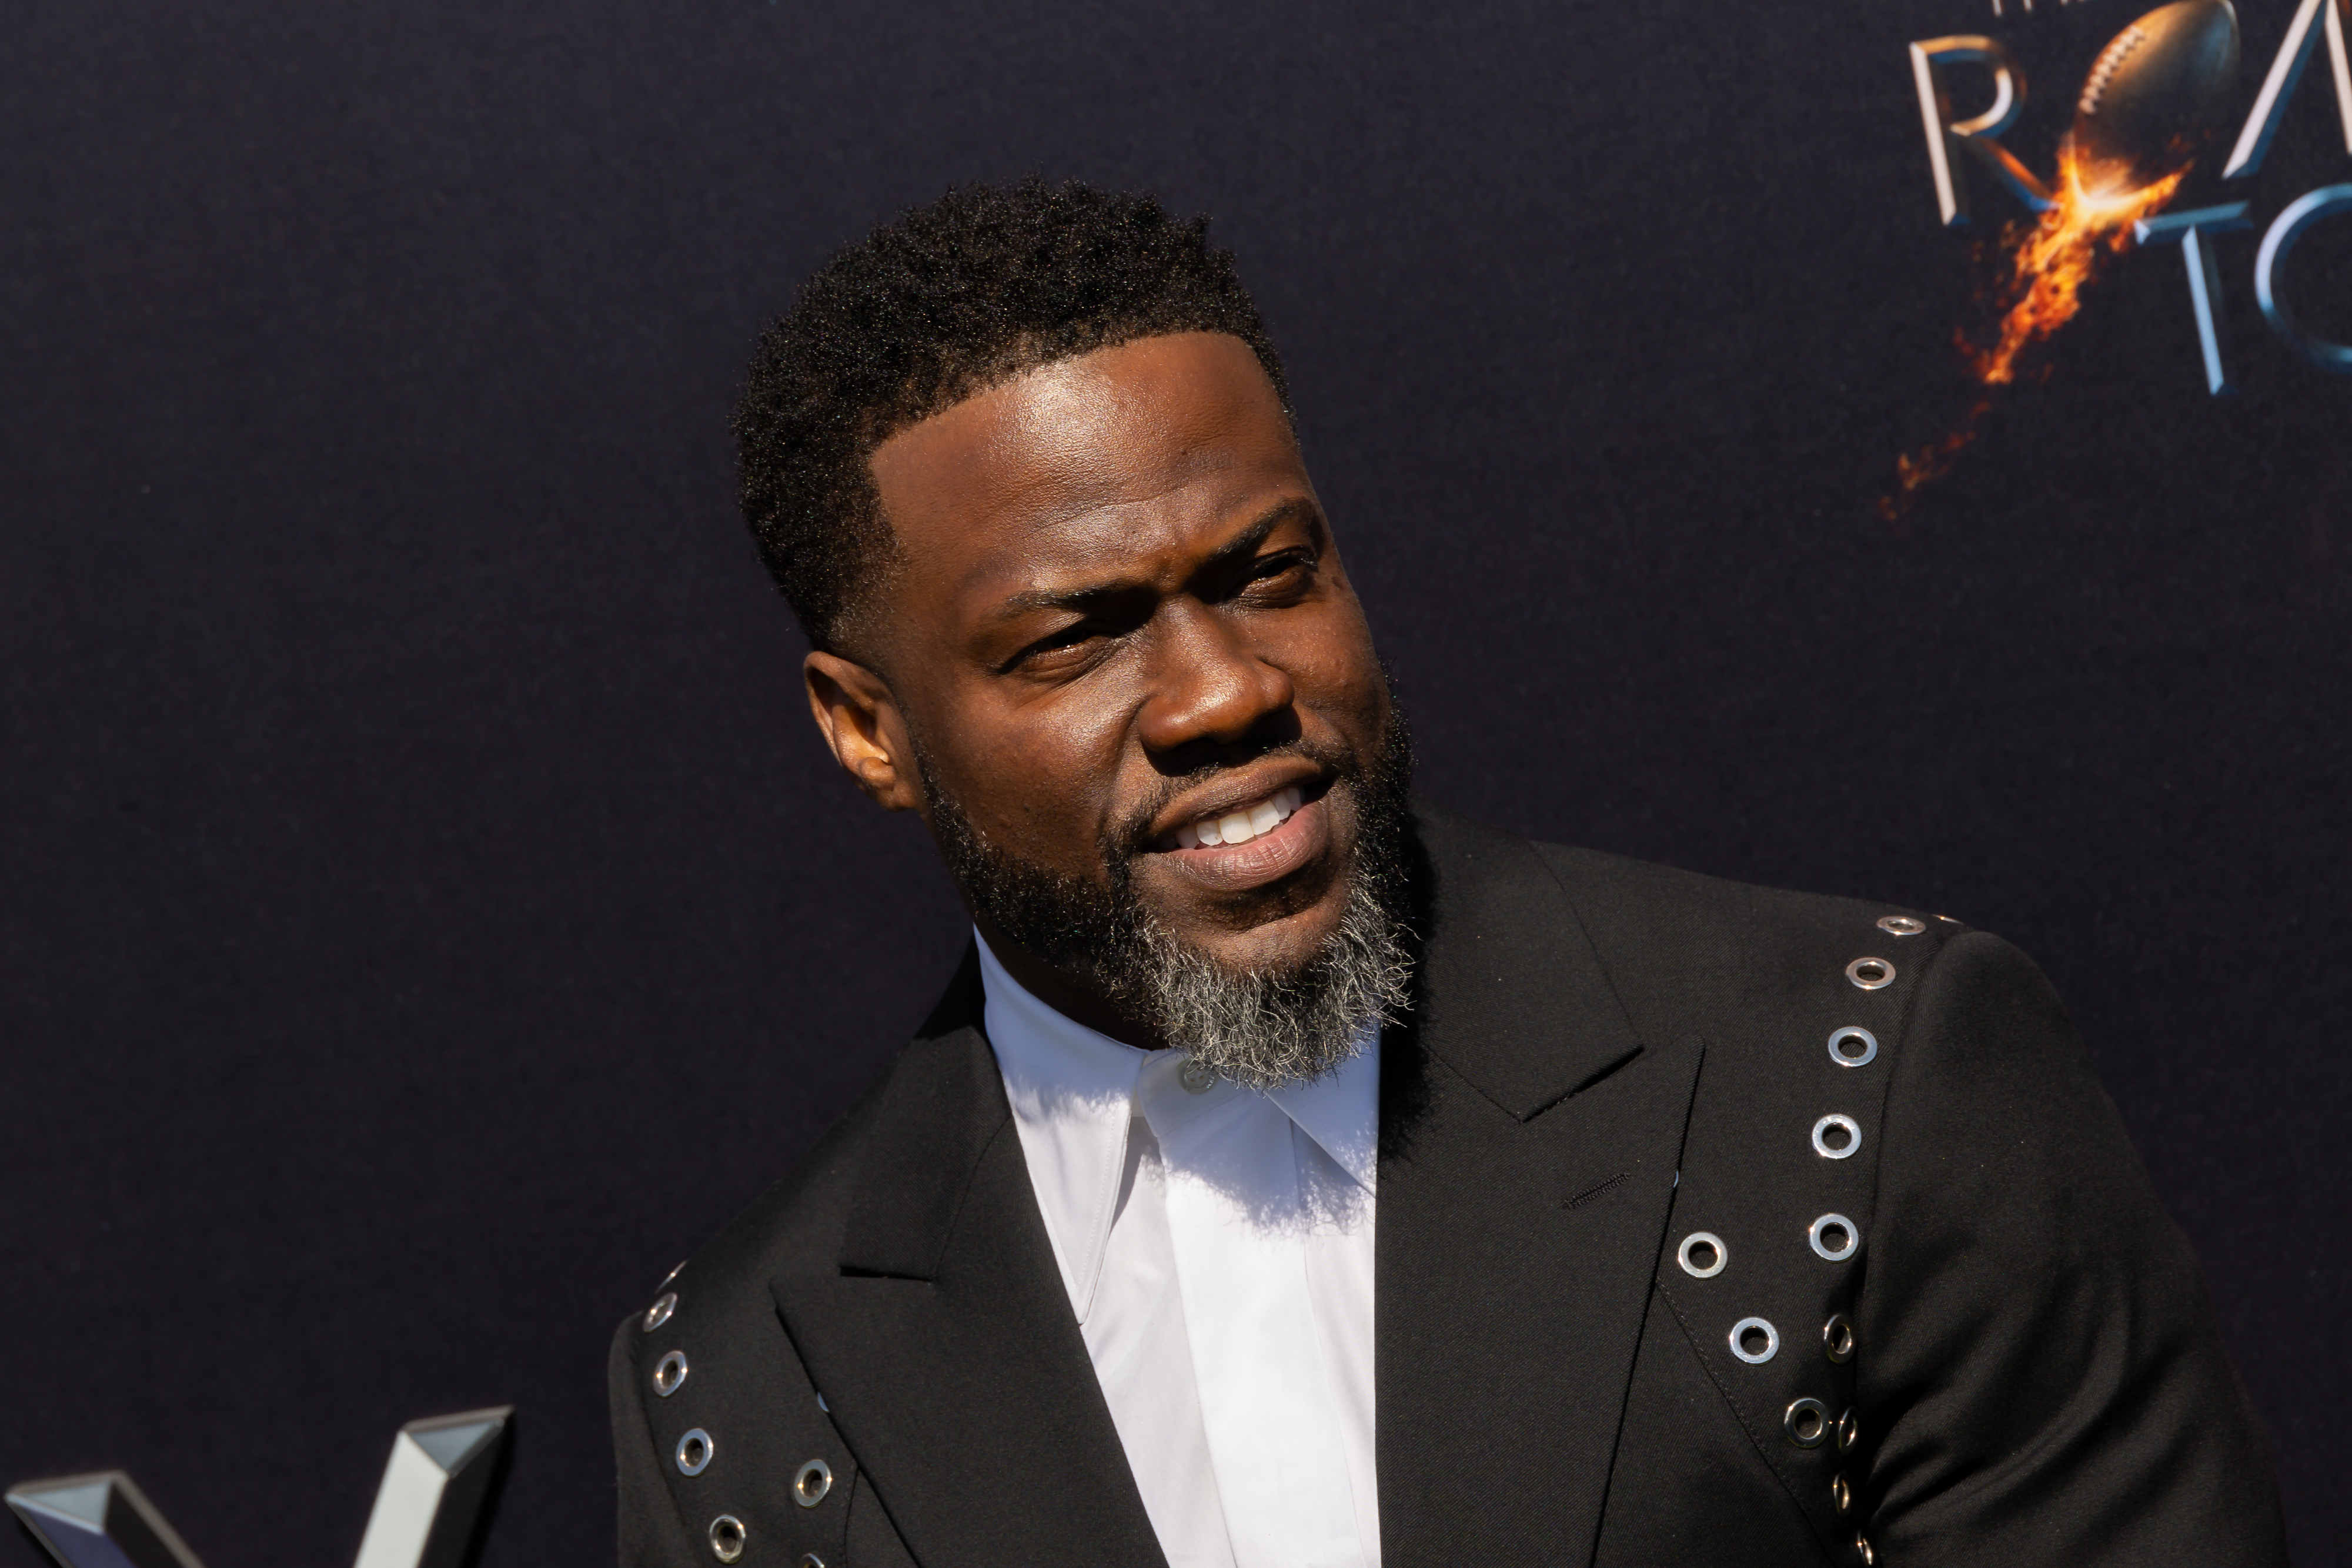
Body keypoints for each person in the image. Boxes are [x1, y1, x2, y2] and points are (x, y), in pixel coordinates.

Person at [608, 179, 2284, 1568]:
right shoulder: (741, 1384)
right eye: (1079, 637)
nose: (1225, 689)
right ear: (867, 730)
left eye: (1270, 572)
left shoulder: (1870, 1076)